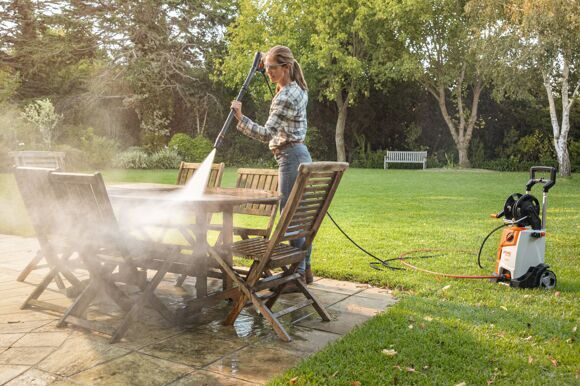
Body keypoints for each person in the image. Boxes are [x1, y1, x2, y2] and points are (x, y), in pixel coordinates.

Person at [230, 45, 313, 290]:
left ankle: (295, 275)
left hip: (290, 157)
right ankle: (304, 269)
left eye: (272, 69)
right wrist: (266, 62)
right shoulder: (297, 89)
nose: (268, 73)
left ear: (286, 67)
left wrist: (240, 118)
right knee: (300, 216)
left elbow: (267, 133)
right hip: (299, 154)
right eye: (266, 69)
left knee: (290, 218)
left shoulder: (286, 95)